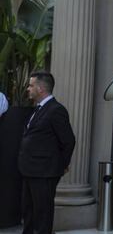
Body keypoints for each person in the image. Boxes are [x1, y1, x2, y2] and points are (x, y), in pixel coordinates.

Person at [18, 71, 76, 234]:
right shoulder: (37, 109)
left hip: (44, 172)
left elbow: (68, 141)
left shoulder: (56, 110)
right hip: (29, 170)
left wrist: (61, 165)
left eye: (31, 85)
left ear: (41, 88)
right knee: (27, 213)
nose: (28, 89)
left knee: (42, 216)